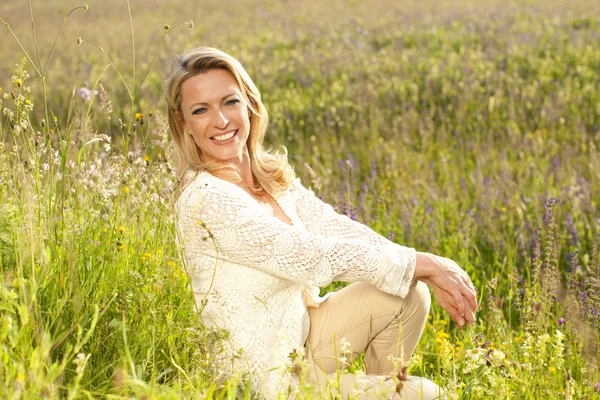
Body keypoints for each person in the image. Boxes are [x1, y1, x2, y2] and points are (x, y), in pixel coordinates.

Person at [167, 47, 477, 399]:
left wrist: (417, 265)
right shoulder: (207, 199)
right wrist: (420, 263)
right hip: (268, 377)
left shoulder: (266, 175)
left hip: (303, 337)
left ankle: (384, 389)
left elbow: (331, 226)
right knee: (427, 395)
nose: (221, 121)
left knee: (408, 291)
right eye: (200, 110)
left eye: (229, 102)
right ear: (184, 123)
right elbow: (310, 255)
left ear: (250, 104)